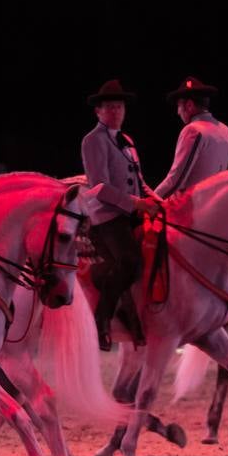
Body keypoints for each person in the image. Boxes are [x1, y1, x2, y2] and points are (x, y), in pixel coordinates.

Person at [81, 79, 156, 351]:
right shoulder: (93, 140)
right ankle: (101, 318)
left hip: (131, 213)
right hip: (106, 218)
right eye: (109, 107)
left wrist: (155, 199)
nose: (115, 111)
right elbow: (100, 186)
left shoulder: (127, 140)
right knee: (129, 261)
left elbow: (139, 179)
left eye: (119, 106)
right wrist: (137, 204)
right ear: (98, 112)